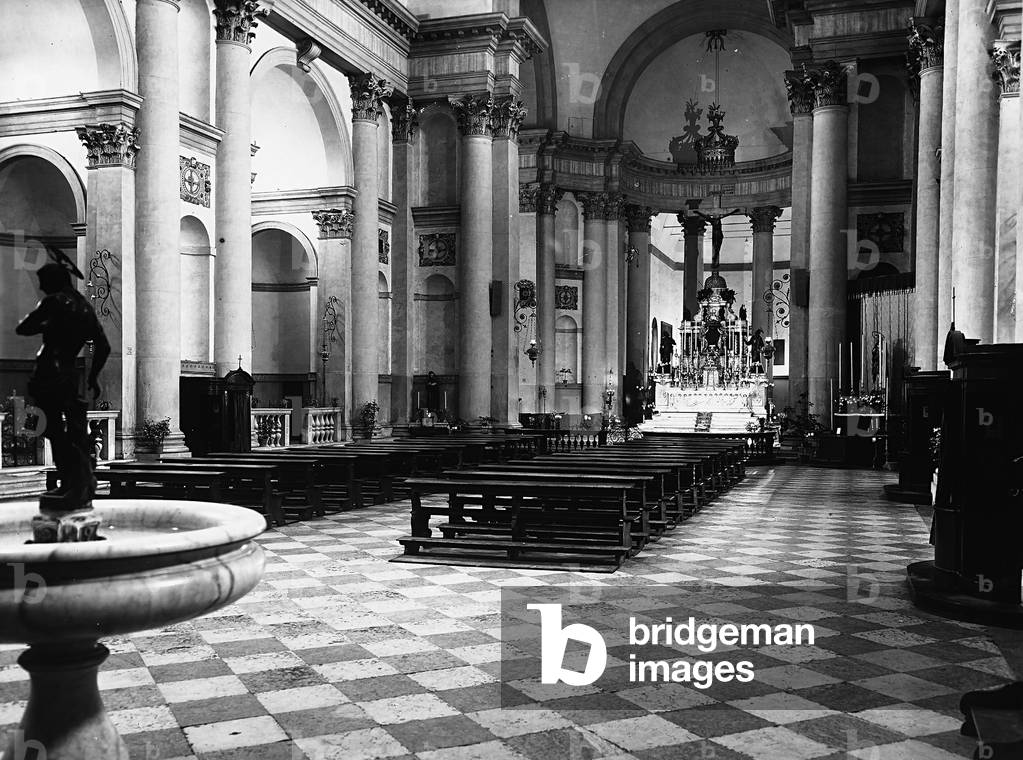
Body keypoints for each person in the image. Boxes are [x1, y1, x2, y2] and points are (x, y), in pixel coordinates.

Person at [16, 254, 110, 510]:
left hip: (48, 373)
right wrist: (93, 377)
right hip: (69, 375)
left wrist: (48, 323)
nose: (41, 286)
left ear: (55, 280)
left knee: (53, 430)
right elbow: (103, 345)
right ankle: (77, 480)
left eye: (43, 280)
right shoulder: (84, 307)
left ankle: (74, 481)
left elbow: (23, 328)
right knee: (73, 431)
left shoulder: (54, 302)